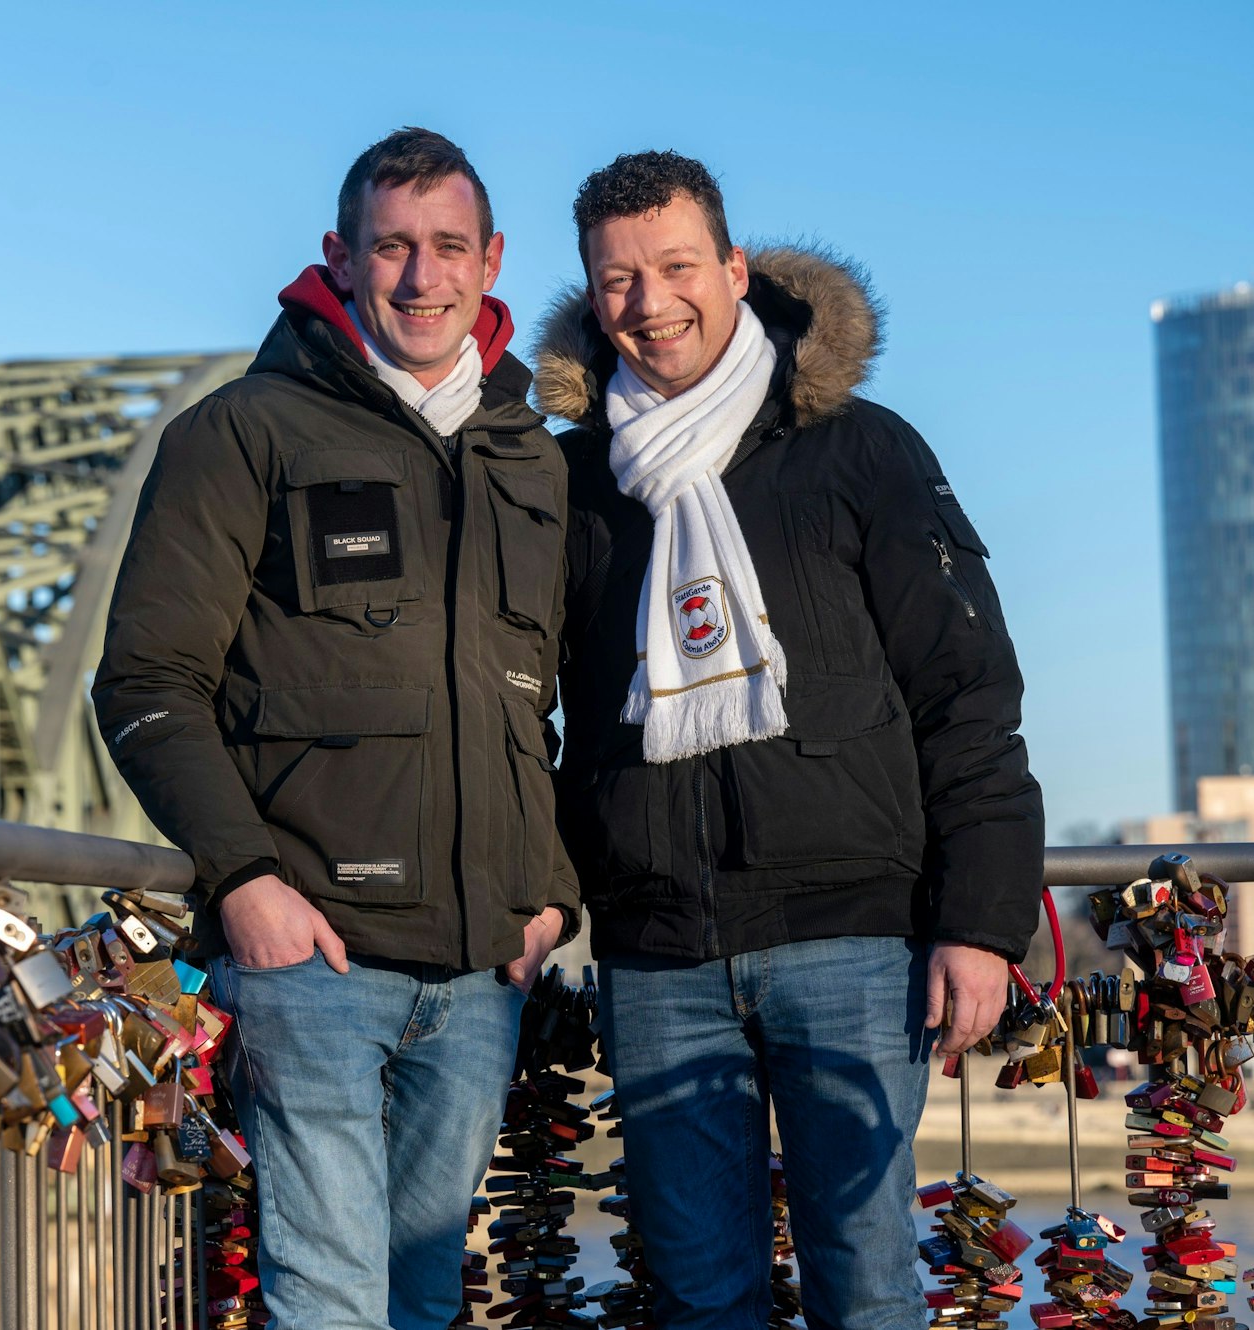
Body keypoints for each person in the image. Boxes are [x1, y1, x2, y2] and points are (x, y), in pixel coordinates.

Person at [535, 151, 1043, 1329]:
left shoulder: (861, 449)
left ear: (733, 269)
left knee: (865, 1286)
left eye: (675, 266)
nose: (650, 302)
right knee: (699, 1295)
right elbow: (521, 706)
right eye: (618, 279)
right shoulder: (568, 483)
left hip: (850, 941)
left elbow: (965, 688)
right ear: (591, 297)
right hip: (656, 950)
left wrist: (979, 921)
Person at [92, 126, 578, 1330]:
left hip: (482, 969)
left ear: (491, 260)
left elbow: (537, 707)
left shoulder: (529, 457)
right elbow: (148, 682)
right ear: (341, 256)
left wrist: (549, 895)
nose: (422, 277)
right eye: (393, 246)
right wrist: (245, 880)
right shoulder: (243, 431)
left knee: (423, 1297)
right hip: (314, 958)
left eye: (449, 247)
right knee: (329, 1304)